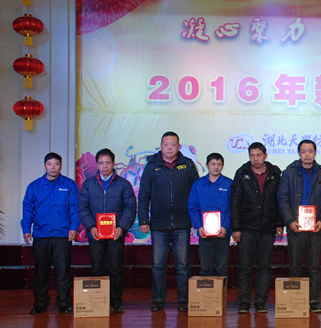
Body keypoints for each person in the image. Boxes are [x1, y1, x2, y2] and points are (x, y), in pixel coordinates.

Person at [137, 131, 199, 312]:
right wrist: (143, 220)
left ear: (179, 146)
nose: (169, 148)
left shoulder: (188, 165)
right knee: (158, 266)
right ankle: (158, 300)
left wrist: (195, 220)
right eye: (166, 144)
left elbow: (196, 194)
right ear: (161, 146)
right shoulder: (151, 167)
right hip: (158, 225)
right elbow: (143, 195)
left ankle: (184, 300)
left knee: (183, 266)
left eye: (173, 144)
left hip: (182, 224)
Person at [278, 140, 321, 314]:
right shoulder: (289, 172)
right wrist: (290, 221)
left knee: (314, 266)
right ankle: (295, 299)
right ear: (299, 153)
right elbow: (282, 199)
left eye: (310, 151)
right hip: (295, 227)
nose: (307, 154)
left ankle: (313, 300)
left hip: (316, 228)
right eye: (304, 151)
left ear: (315, 153)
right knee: (295, 265)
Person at [78, 148, 137, 313]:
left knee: (116, 269)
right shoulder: (88, 184)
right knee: (97, 267)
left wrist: (121, 227)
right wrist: (91, 226)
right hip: (95, 234)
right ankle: (99, 302)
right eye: (101, 163)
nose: (104, 166)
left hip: (116, 234)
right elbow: (83, 207)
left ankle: (116, 302)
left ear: (113, 163)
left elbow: (130, 207)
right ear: (97, 164)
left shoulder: (123, 184)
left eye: (108, 162)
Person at [21, 152, 80, 314]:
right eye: (49, 164)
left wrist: (74, 227)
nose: (53, 167)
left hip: (62, 236)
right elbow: (27, 210)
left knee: (63, 272)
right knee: (41, 273)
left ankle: (64, 304)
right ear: (45, 166)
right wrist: (26, 229)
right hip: (41, 235)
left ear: (61, 166)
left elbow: (75, 208)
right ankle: (40, 304)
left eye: (56, 164)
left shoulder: (70, 185)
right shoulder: (34, 186)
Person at [230, 142, 283, 314]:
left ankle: (260, 301)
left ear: (265, 156)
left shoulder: (275, 174)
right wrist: (236, 228)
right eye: (252, 155)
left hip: (268, 228)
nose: (255, 159)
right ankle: (244, 301)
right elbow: (235, 202)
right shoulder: (242, 173)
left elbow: (280, 201)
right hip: (247, 228)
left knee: (264, 267)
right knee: (245, 266)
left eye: (258, 155)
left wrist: (279, 223)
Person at [188, 153, 233, 278]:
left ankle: (221, 291)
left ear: (222, 166)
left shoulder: (229, 184)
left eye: (219, 164)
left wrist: (225, 227)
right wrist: (199, 226)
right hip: (204, 233)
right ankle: (206, 291)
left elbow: (233, 208)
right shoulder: (198, 184)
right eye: (213, 164)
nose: (216, 167)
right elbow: (193, 207)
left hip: (223, 233)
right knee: (205, 268)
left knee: (222, 269)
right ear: (207, 165)